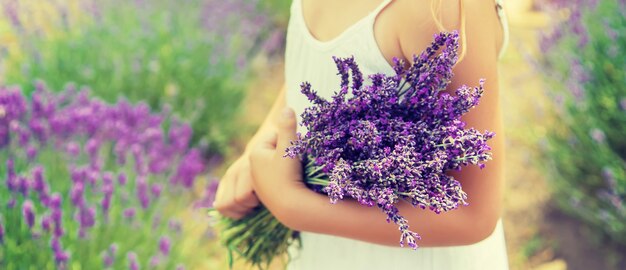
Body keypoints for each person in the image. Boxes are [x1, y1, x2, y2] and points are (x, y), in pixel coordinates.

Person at [214, 0, 509, 269]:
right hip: (326, 250)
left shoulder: (437, 10)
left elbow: (474, 215)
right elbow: (321, 63)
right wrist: (267, 139)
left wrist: (292, 205)